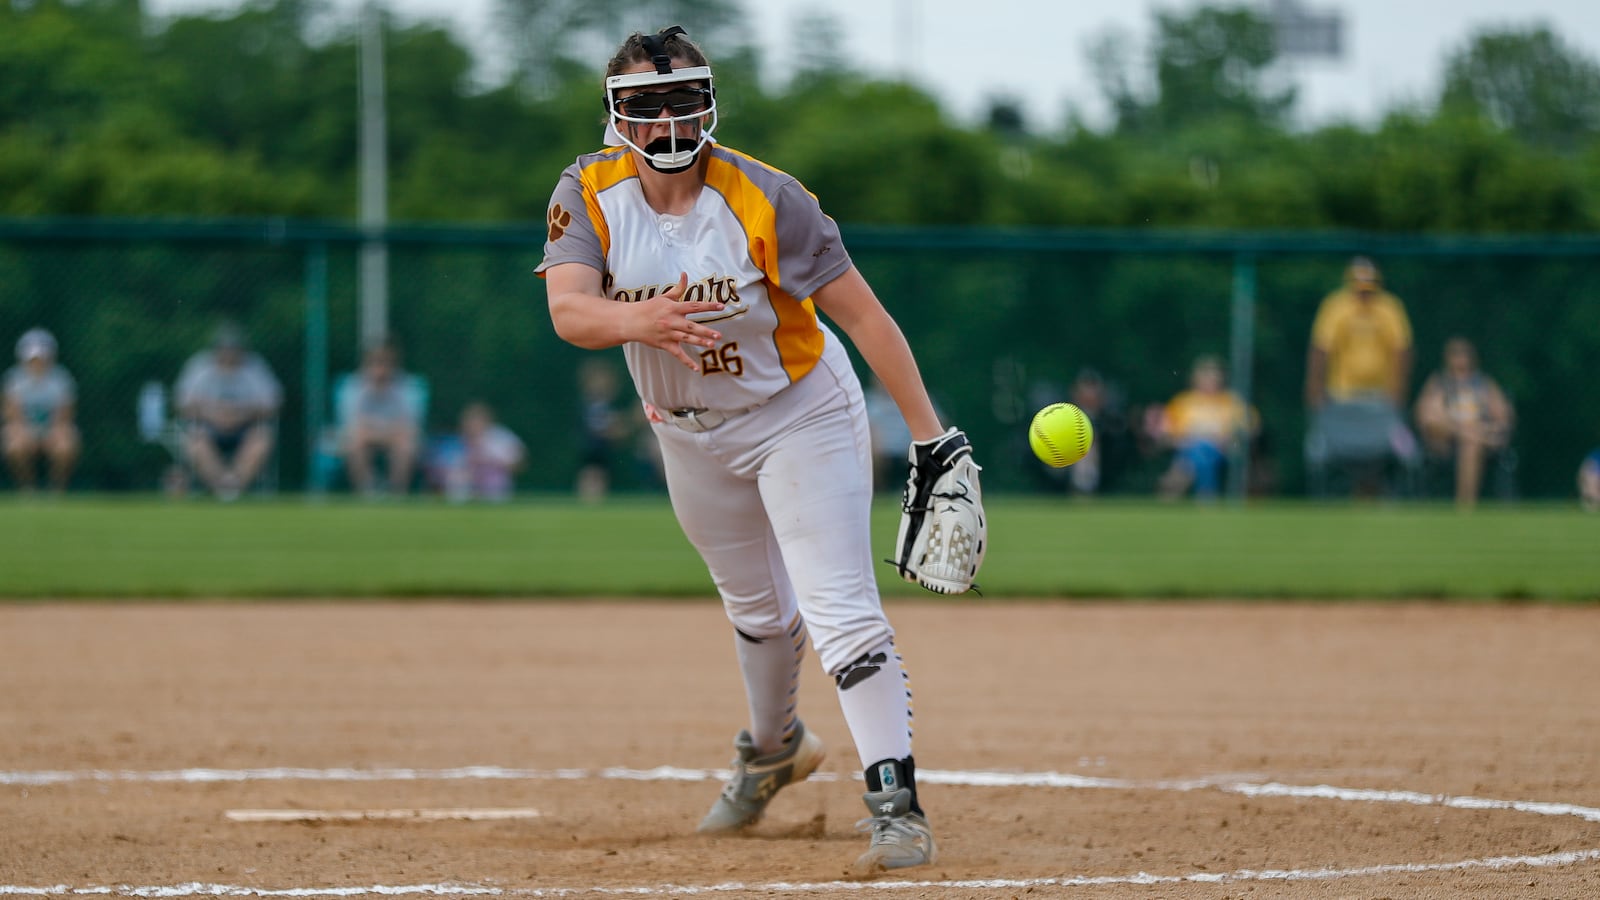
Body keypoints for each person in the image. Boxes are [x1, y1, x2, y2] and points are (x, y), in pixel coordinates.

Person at [537, 25, 970, 875]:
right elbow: (570, 312)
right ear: (613, 115)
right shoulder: (587, 190)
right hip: (688, 435)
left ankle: (896, 806)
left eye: (683, 101)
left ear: (710, 104)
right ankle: (774, 752)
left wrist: (931, 436)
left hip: (796, 413)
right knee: (758, 615)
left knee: (839, 607)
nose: (666, 123)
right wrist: (642, 320)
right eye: (644, 106)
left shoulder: (768, 197)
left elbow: (867, 318)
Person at [1303, 257, 1420, 498]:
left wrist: (1399, 388)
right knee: (1334, 446)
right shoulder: (1336, 306)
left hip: (1381, 396)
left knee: (1387, 446)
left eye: (1369, 288)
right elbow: (1320, 349)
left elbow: (1402, 349)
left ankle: (1375, 491)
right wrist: (1314, 385)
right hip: (1341, 396)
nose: (1364, 295)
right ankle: (1354, 491)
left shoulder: (1389, 307)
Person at [174, 322, 281, 501]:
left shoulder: (255, 369)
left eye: (233, 349)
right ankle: (225, 487)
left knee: (261, 439)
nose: (229, 354)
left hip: (245, 428)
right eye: (225, 349)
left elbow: (272, 405)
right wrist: (214, 415)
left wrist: (239, 415)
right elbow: (184, 404)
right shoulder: (199, 367)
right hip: (208, 426)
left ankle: (232, 487)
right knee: (195, 441)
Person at [1413, 336, 1515, 509]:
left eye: (1464, 354)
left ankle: (1465, 505)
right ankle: (1472, 435)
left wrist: (1492, 428)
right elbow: (1426, 416)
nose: (1460, 359)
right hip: (1446, 440)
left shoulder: (1483, 384)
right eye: (1456, 354)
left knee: (1470, 444)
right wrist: (1464, 429)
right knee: (1462, 432)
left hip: (1476, 441)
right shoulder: (1439, 383)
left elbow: (1503, 415)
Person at [1153, 355, 1257, 501]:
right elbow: (1168, 434)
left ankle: (1180, 491)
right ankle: (1206, 496)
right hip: (1188, 450)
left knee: (1200, 453)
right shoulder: (1182, 403)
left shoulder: (1232, 402)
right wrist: (1186, 441)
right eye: (1206, 377)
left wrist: (1230, 439)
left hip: (1225, 452)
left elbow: (1251, 428)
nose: (1210, 381)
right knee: (1201, 452)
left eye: (1214, 377)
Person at [341, 342, 424, 497]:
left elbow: (410, 427)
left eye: (385, 363)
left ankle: (396, 493)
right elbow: (353, 426)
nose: (380, 370)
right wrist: (387, 431)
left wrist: (376, 430)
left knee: (406, 445)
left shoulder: (409, 387)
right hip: (370, 437)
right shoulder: (353, 387)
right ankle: (368, 491)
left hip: (395, 438)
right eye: (375, 363)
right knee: (355, 443)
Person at [3, 328, 80, 493]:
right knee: (14, 443)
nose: (38, 363)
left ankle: (56, 490)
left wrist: (53, 432)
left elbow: (65, 416)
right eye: (34, 359)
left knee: (66, 442)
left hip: (53, 429)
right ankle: (28, 488)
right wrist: (25, 431)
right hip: (25, 428)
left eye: (42, 359)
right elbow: (12, 414)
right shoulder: (14, 380)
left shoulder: (61, 379)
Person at [433, 401, 525, 502]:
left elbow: (518, 463)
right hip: (465, 486)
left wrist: (491, 462)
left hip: (493, 486)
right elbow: (441, 469)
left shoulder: (500, 438)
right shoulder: (456, 441)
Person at [576, 358, 629, 502]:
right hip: (593, 445)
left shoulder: (603, 403)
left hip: (601, 445)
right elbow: (598, 425)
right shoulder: (593, 403)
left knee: (600, 473)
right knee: (592, 472)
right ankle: (589, 498)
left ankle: (594, 499)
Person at [1580, 448, 1600, 512]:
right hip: (1594, 475)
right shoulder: (1595, 455)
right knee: (1591, 480)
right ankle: (1591, 505)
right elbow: (1583, 471)